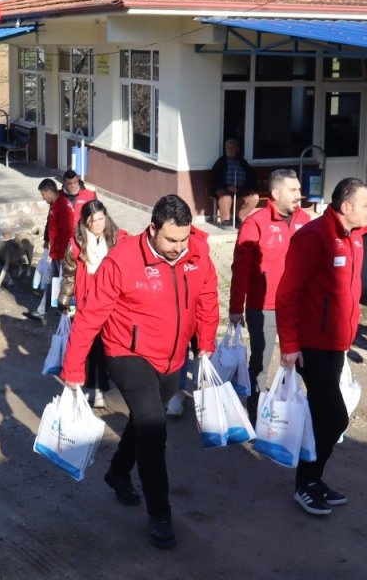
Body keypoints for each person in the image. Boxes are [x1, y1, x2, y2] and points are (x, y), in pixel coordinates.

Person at [61, 195, 219, 549]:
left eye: (185, 238)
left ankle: (118, 471)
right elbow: (90, 315)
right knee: (153, 429)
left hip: (172, 356)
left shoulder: (197, 252)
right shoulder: (122, 260)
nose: (179, 247)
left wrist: (205, 342)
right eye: (171, 240)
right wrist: (73, 368)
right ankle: (160, 514)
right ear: (153, 229)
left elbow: (207, 297)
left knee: (147, 420)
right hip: (126, 352)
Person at [276, 177, 367, 517]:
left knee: (324, 417)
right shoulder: (314, 237)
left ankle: (313, 481)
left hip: (336, 344)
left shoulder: (356, 237)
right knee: (334, 417)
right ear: (346, 207)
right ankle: (305, 483)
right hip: (311, 344)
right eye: (366, 204)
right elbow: (287, 293)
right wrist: (289, 343)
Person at [229, 169, 311, 416]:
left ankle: (289, 413)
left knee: (298, 362)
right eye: (293, 190)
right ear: (276, 193)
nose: (300, 194)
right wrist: (235, 308)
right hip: (264, 307)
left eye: (299, 189)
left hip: (299, 307)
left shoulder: (305, 221)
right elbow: (240, 270)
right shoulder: (256, 223)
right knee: (261, 364)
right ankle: (256, 416)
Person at [58, 199, 128, 409]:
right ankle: (95, 388)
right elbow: (69, 275)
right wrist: (65, 299)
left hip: (113, 300)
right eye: (93, 220)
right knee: (91, 346)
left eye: (101, 218)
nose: (98, 224)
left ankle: (109, 384)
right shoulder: (76, 244)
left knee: (111, 342)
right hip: (87, 299)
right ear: (85, 222)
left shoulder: (118, 239)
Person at [27, 171, 96, 320]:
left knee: (68, 281)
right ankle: (50, 309)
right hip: (60, 250)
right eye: (69, 184)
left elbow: (71, 229)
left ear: (78, 181)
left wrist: (71, 250)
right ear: (64, 183)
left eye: (74, 183)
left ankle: (67, 311)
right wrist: (47, 241)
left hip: (73, 249)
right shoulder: (58, 200)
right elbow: (51, 223)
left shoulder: (86, 197)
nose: (72, 186)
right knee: (56, 280)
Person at [24, 178, 61, 320]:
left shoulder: (62, 206)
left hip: (62, 253)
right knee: (53, 280)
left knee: (60, 280)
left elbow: (66, 231)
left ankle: (63, 312)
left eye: (42, 194)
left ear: (48, 192)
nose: (42, 197)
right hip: (56, 251)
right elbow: (49, 223)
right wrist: (46, 239)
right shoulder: (54, 205)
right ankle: (45, 309)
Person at [209, 139, 259, 228]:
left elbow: (251, 176)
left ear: (237, 149)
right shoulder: (221, 162)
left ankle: (239, 219)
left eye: (232, 147)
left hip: (240, 188)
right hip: (224, 188)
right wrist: (227, 187)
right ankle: (226, 221)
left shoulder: (242, 162)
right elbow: (214, 179)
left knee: (254, 198)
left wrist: (251, 188)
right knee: (226, 197)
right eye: (228, 147)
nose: (230, 149)